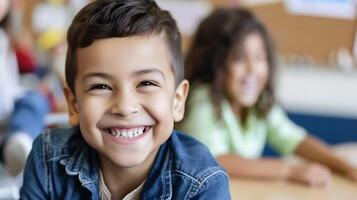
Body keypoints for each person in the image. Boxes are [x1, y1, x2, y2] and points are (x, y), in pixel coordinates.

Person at [20, 0, 231, 199]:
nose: (125, 107)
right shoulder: (47, 159)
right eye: (101, 86)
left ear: (177, 100)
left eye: (146, 83)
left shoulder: (202, 183)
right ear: (74, 105)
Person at [177, 8, 357, 187]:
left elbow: (294, 139)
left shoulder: (260, 103)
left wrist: (345, 166)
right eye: (239, 58)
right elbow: (214, 160)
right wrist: (290, 170)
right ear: (214, 63)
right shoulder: (202, 99)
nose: (252, 69)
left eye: (259, 57)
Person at [0, 0, 49, 176]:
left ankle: (18, 143)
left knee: (36, 99)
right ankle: (18, 141)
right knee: (35, 101)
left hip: (9, 103)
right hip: (6, 109)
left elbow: (9, 87)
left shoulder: (4, 38)